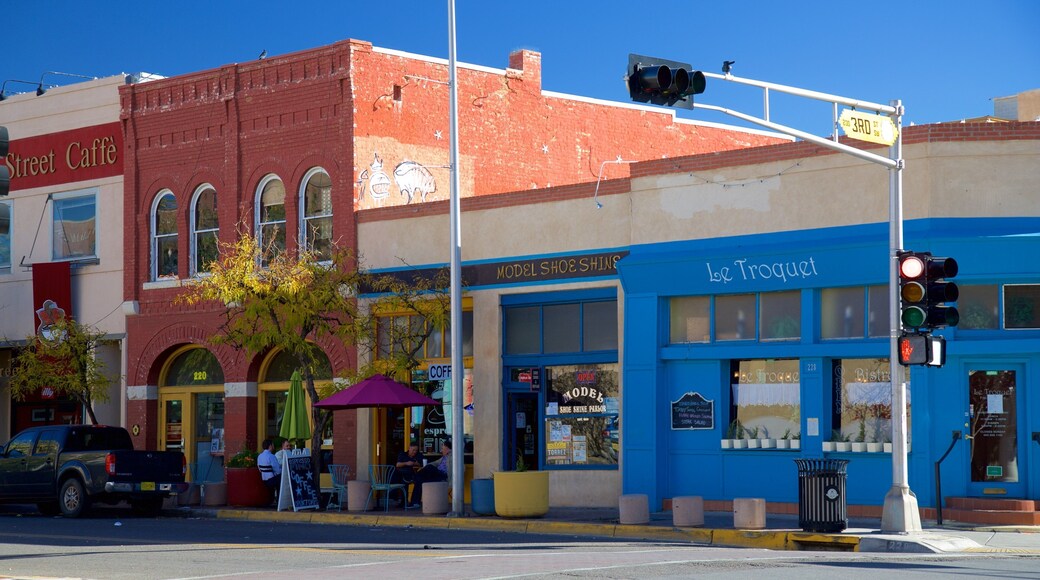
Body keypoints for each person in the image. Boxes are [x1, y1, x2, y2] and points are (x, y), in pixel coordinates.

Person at [407, 440, 451, 508]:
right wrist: (425, 466)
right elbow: (435, 462)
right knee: (420, 480)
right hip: (437, 475)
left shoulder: (453, 457)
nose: (441, 450)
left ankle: (413, 477)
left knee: (430, 467)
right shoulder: (444, 457)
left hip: (443, 476)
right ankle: (415, 503)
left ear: (448, 449)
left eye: (443, 448)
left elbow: (462, 467)